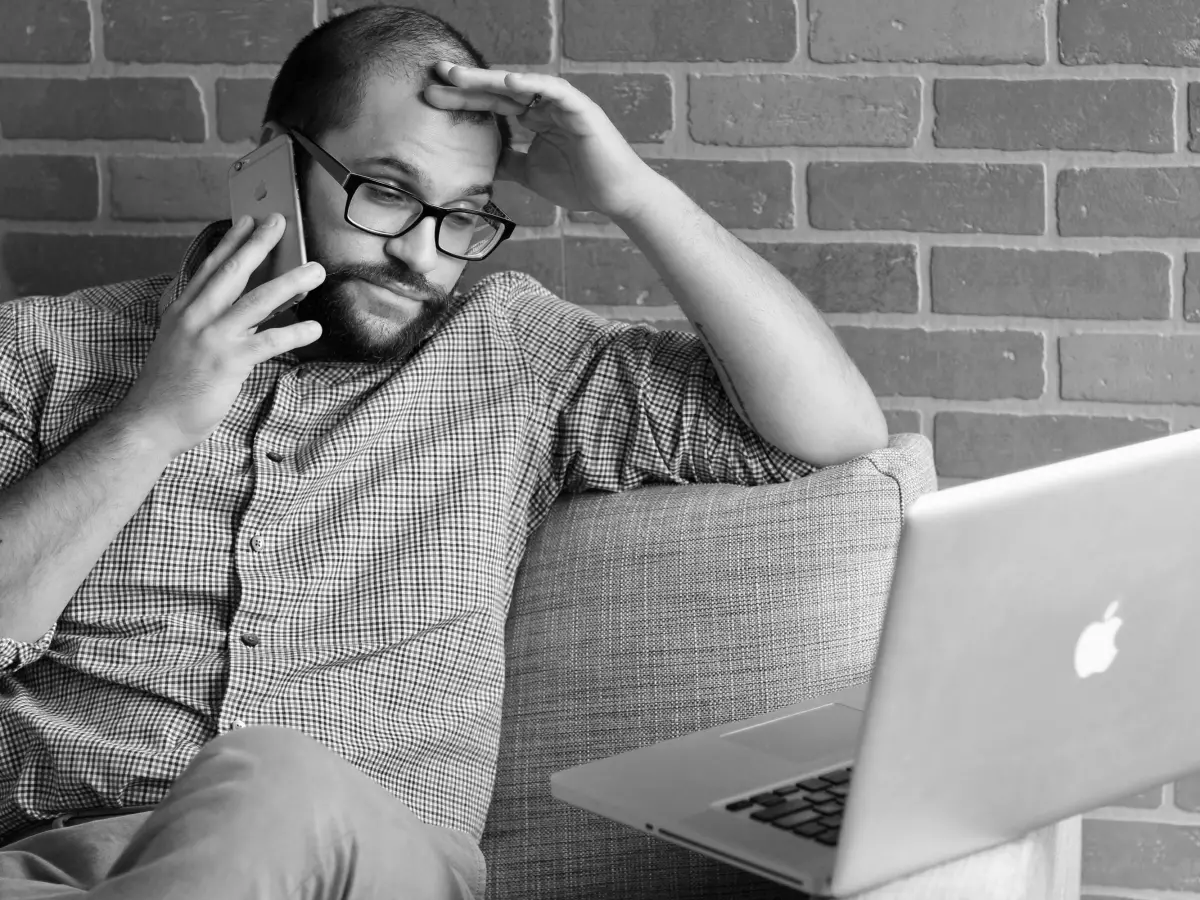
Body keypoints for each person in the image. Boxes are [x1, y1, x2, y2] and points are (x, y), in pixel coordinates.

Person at [0, 5, 887, 899]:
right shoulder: (41, 352)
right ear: (275, 162)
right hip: (48, 865)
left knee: (267, 778)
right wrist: (149, 422)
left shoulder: (512, 357)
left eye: (464, 217)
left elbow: (833, 431)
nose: (422, 256)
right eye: (386, 192)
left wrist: (636, 194)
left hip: (364, 863)